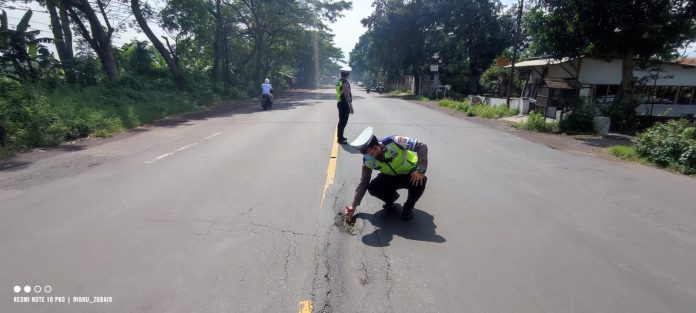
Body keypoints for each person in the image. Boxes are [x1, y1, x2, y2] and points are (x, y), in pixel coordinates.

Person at [345, 127, 428, 221]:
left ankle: (408, 207)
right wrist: (354, 205)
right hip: (391, 176)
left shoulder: (394, 141)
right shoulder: (367, 162)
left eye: (369, 154)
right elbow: (364, 183)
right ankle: (391, 199)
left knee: (420, 181)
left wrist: (421, 170)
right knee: (373, 187)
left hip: (409, 173)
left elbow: (421, 146)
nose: (367, 157)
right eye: (364, 154)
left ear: (375, 147)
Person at [335, 69, 354, 144]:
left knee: (341, 121)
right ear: (347, 75)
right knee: (343, 122)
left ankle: (340, 137)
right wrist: (351, 106)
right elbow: (346, 94)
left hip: (340, 103)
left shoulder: (338, 82)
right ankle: (340, 138)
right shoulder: (345, 83)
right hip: (344, 104)